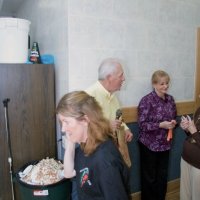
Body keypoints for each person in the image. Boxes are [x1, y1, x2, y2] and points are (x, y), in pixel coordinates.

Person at [56, 91, 131, 200]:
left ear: (85, 120)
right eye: (61, 122)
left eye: (66, 122)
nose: (63, 129)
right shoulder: (84, 146)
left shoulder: (104, 159)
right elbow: (68, 173)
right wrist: (70, 144)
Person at [137, 70, 177, 200]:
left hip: (165, 144)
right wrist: (160, 125)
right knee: (149, 178)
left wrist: (173, 122)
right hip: (149, 145)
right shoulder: (146, 101)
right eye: (162, 84)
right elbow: (142, 125)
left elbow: (173, 116)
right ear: (154, 84)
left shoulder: (170, 99)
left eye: (167, 83)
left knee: (162, 176)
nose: (165, 86)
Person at [85, 58, 133, 147]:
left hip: (111, 146)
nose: (124, 79)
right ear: (109, 77)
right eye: (121, 75)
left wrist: (126, 129)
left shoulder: (113, 96)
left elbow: (118, 120)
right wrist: (106, 126)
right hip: (95, 149)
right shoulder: (88, 96)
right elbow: (83, 127)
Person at [180, 108, 200, 200]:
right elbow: (193, 135)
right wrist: (187, 129)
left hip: (198, 164)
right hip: (186, 158)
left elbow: (195, 133)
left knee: (196, 195)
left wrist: (194, 132)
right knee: (185, 194)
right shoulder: (198, 110)